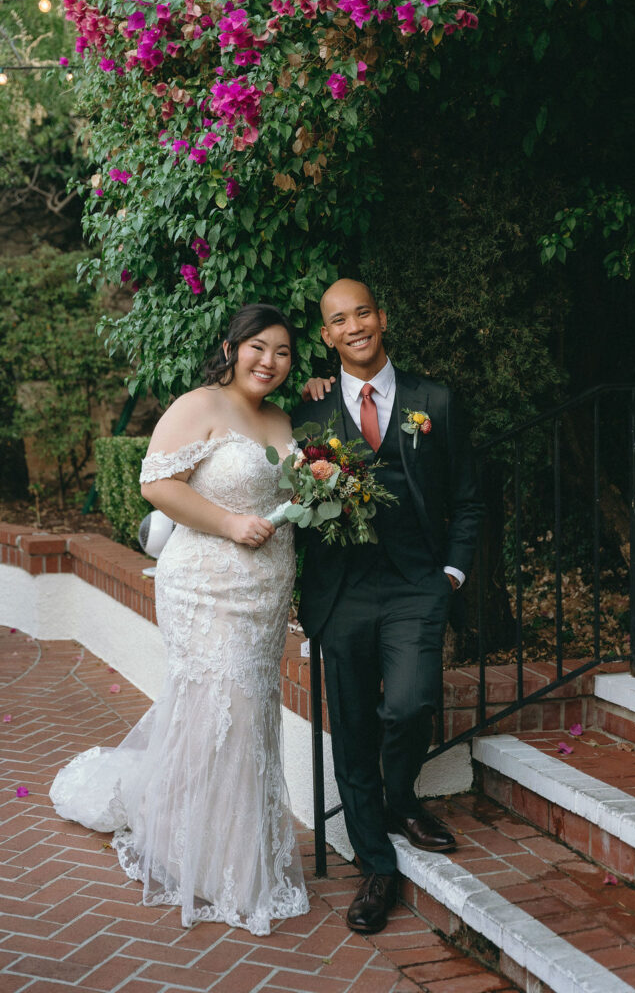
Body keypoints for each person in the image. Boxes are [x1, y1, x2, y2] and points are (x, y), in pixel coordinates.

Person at [50, 304, 309, 933]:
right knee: (224, 707)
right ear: (231, 347)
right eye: (258, 348)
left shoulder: (281, 417)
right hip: (205, 583)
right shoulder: (200, 405)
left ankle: (233, 851)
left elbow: (294, 493)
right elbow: (156, 484)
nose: (269, 362)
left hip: (266, 589)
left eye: (282, 353)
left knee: (249, 713)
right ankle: (203, 861)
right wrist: (228, 523)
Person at [294, 279, 483, 934]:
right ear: (326, 336)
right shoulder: (308, 414)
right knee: (350, 731)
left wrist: (451, 573)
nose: (354, 327)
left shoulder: (436, 400)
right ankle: (376, 866)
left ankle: (398, 795)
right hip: (341, 593)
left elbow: (468, 494)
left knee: (409, 703)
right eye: (338, 319)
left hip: (414, 586)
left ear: (382, 315)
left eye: (362, 312)